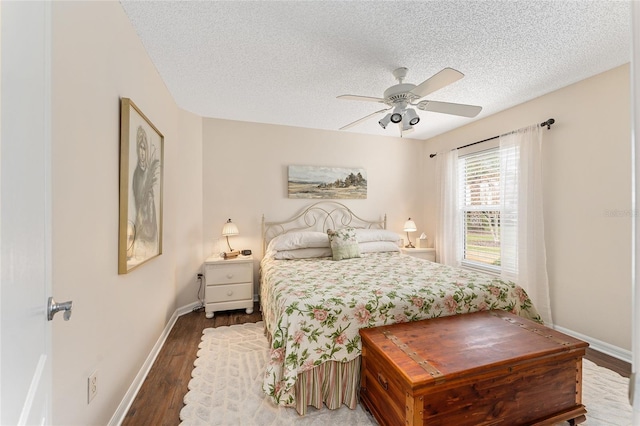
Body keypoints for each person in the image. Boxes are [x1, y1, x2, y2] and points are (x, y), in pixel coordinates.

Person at [131, 125, 159, 259]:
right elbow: (138, 202)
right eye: (140, 148)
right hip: (142, 228)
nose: (142, 152)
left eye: (144, 148)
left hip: (151, 228)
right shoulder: (137, 174)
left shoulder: (147, 171)